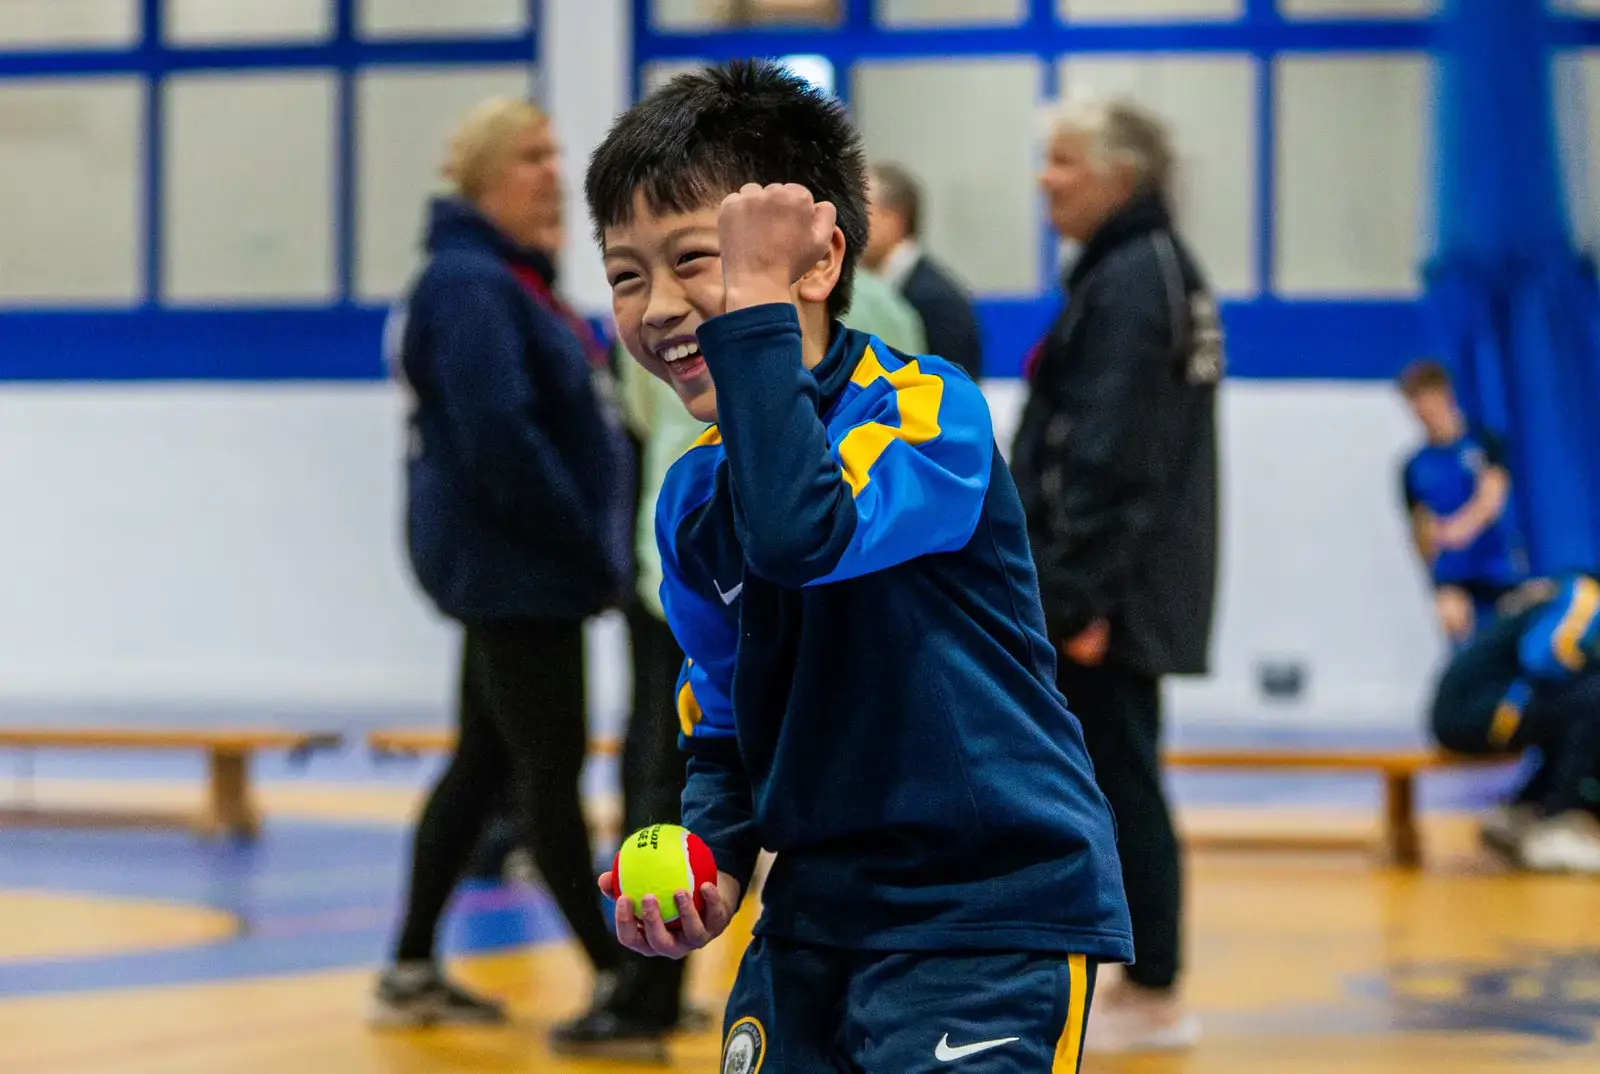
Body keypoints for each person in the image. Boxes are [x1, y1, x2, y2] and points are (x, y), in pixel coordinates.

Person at [583, 60, 1132, 1073]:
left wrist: (748, 309)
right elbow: (727, 728)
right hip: (813, 922)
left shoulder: (929, 413)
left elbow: (805, 532)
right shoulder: (689, 501)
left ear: (817, 261)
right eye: (626, 273)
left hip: (988, 914)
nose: (658, 306)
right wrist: (710, 860)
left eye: (699, 261)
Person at [371, 97, 632, 1027]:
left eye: (554, 154)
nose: (551, 173)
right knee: (546, 774)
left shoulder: (509, 279)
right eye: (531, 156)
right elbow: (502, 441)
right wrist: (587, 544)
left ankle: (407, 969)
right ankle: (618, 978)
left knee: (484, 762)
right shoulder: (473, 286)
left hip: (523, 570)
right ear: (483, 178)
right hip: (520, 574)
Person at [1009, 96, 1220, 1053]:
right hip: (1108, 585)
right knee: (1110, 775)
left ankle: (1153, 982)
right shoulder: (1136, 270)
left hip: (1107, 595)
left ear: (1119, 177)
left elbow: (1114, 455)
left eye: (1063, 162)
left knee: (1116, 779)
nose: (1044, 180)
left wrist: (1075, 598)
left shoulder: (1139, 278)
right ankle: (1139, 970)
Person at [550, 343, 709, 1055]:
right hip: (668, 586)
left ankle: (648, 998)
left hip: (702, 590)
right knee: (655, 781)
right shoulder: (649, 339)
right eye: (624, 277)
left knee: (662, 782)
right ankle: (649, 991)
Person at [1430, 573, 1600, 872]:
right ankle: (1560, 823)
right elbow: (1543, 658)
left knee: (1578, 708)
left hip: (1480, 705)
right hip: (1474, 708)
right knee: (1591, 698)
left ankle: (1526, 811)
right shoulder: (1585, 594)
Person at [1397, 359, 1528, 647]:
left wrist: (1459, 529)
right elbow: (1420, 526)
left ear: (1444, 394)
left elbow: (1492, 498)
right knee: (1462, 643)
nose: (1421, 410)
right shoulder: (1414, 466)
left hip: (1497, 567)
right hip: (1453, 574)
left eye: (1425, 398)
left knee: (1507, 646)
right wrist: (1432, 550)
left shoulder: (1482, 442)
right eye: (1413, 402)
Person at [862, 161, 984, 379]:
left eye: (861, 211)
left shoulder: (937, 300)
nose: (848, 225)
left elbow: (951, 392)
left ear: (894, 218)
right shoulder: (879, 291)